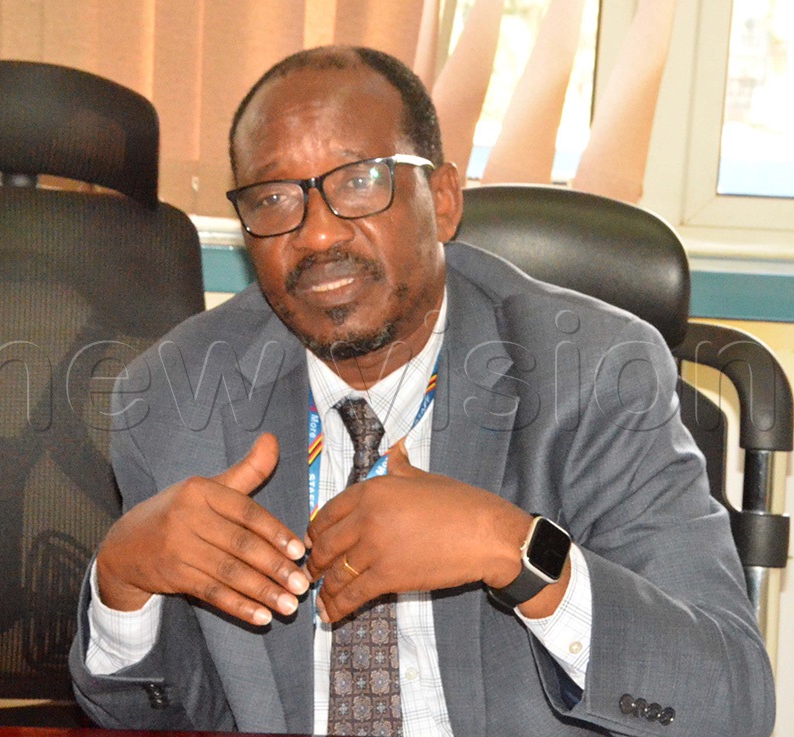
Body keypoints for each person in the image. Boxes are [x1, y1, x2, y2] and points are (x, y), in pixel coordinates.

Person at [69, 46, 774, 736]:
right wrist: (125, 583)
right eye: (274, 197)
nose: (315, 234)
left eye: (356, 181)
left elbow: (729, 704)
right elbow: (162, 712)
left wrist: (510, 547)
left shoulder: (593, 372)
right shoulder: (175, 395)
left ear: (441, 198)